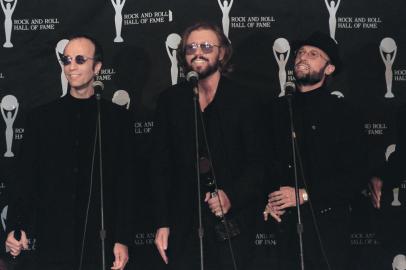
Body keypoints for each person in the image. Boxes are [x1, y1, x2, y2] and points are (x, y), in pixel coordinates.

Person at [5, 35, 133, 270]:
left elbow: (126, 184)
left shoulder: (117, 118)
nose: (71, 66)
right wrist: (17, 225)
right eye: (66, 60)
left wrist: (122, 238)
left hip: (102, 241)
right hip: (54, 239)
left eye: (80, 59)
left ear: (97, 67)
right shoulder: (41, 118)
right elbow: (25, 179)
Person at [151, 22, 263, 270]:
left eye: (206, 46)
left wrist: (232, 196)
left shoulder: (247, 100)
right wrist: (162, 222)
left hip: (232, 224)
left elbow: (260, 163)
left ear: (222, 53)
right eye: (190, 47)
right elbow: (160, 167)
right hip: (182, 224)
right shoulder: (170, 101)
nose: (197, 52)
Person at [263, 31, 367, 270]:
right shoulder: (275, 110)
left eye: (313, 54)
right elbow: (263, 162)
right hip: (284, 229)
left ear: (329, 69)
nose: (302, 58)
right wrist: (269, 199)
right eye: (300, 53)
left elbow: (355, 176)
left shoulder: (345, 113)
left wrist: (304, 195)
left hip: (327, 228)